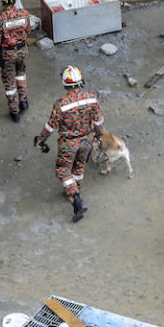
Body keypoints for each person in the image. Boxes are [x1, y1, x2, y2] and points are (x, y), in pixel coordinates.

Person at [33, 66, 103, 222]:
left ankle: (76, 199)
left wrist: (41, 140)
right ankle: (76, 189)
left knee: (63, 170)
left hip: (68, 143)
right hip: (87, 140)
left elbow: (50, 126)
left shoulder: (61, 104)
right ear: (81, 81)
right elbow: (98, 121)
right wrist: (97, 137)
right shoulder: (92, 98)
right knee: (79, 165)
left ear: (65, 84)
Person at [0, 0, 32, 122]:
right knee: (21, 75)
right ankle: (24, 101)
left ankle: (15, 112)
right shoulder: (24, 14)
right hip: (22, 52)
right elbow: (28, 31)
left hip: (7, 56)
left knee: (10, 84)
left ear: (1, 1)